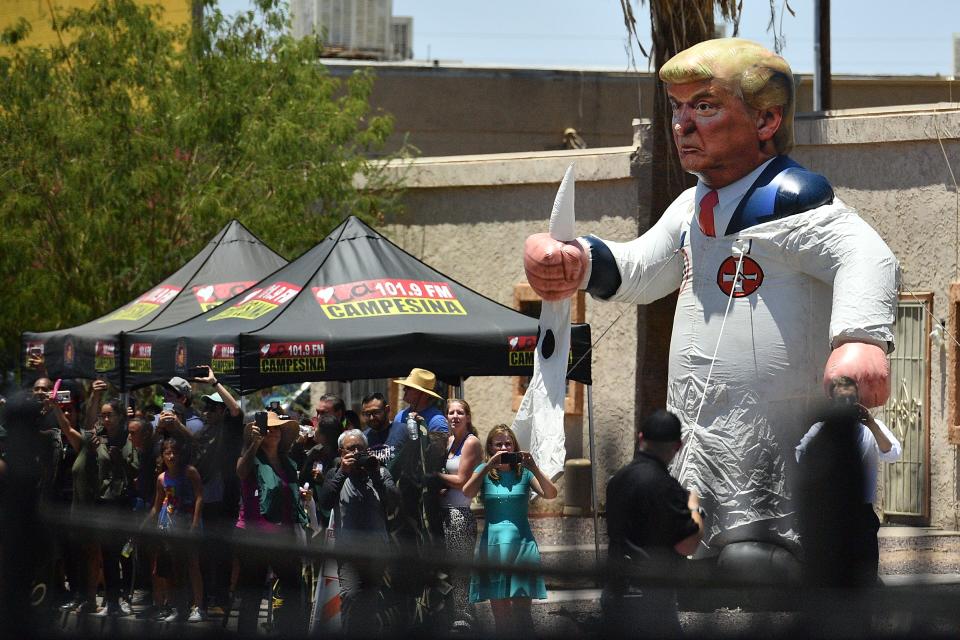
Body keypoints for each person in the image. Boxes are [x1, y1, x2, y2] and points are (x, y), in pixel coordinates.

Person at [523, 37, 899, 564]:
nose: (682, 125)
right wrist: (575, 262)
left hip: (776, 434)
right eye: (678, 108)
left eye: (704, 106)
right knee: (694, 544)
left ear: (766, 119)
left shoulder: (795, 203)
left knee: (761, 561)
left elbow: (867, 256)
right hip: (701, 434)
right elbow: (639, 269)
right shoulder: (690, 207)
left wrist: (859, 339)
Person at [602, 410, 705, 637]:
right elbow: (687, 545)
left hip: (615, 590)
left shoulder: (617, 481)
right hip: (650, 598)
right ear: (677, 446)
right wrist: (695, 508)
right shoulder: (667, 488)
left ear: (640, 438)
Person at [796, 376, 901, 583]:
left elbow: (893, 453)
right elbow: (800, 456)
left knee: (865, 571)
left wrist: (871, 424)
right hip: (830, 511)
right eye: (840, 401)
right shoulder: (820, 429)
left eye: (850, 400)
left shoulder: (872, 427)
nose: (846, 406)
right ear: (831, 400)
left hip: (861, 512)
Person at [462, 424, 557, 635]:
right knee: (502, 619)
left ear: (514, 445)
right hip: (493, 547)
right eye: (499, 444)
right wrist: (487, 467)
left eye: (508, 443)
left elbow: (551, 494)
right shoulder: (483, 470)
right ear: (491, 448)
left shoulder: (523, 472)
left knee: (524, 615)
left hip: (523, 546)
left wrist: (534, 468)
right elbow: (466, 492)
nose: (504, 448)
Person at [318, 429, 399, 636]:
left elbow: (394, 502)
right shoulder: (336, 473)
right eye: (350, 449)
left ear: (367, 449)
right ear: (340, 452)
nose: (355, 452)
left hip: (377, 551)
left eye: (360, 448)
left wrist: (374, 472)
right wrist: (342, 471)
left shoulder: (380, 473)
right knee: (352, 596)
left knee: (371, 602)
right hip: (348, 552)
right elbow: (325, 502)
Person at [234, 411, 307, 636]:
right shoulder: (250, 457)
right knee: (252, 594)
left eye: (277, 428)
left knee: (293, 588)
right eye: (268, 428)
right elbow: (241, 471)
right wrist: (254, 444)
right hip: (254, 536)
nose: (273, 431)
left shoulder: (287, 462)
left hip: (283, 537)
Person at [189, 366, 242, 615]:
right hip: (206, 500)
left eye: (212, 407)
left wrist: (214, 383)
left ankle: (221, 600)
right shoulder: (205, 432)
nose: (207, 412)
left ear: (221, 411)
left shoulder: (229, 430)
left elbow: (237, 410)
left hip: (225, 501)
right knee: (206, 553)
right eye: (206, 408)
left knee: (221, 553)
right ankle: (207, 599)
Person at [146, 438, 204, 623]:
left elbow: (199, 497)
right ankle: (177, 607)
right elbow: (157, 505)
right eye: (167, 453)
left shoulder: (189, 472)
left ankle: (199, 606)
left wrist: (195, 524)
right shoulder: (162, 478)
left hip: (187, 522)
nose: (171, 456)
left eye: (174, 452)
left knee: (193, 564)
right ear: (162, 456)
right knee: (171, 567)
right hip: (168, 524)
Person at [437, 399, 482, 631]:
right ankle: (450, 616)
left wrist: (434, 476)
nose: (455, 416)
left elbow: (462, 481)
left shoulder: (471, 443)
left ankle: (464, 619)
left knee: (460, 569)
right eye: (451, 412)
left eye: (460, 412)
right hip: (442, 511)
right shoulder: (449, 441)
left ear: (468, 417)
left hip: (460, 514)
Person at [390, 368, 449, 436]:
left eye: (409, 387)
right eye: (405, 386)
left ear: (425, 394)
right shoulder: (400, 416)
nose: (404, 389)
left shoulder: (436, 421)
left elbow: (439, 446)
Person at [360, 392, 404, 461]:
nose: (371, 418)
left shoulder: (403, 431)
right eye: (367, 414)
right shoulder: (363, 439)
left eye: (376, 412)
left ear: (387, 410)